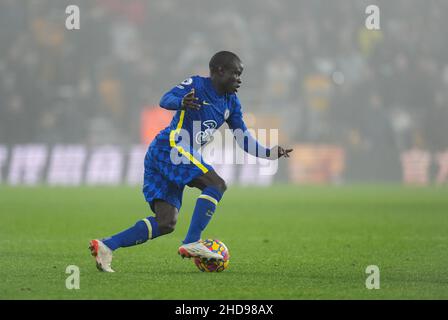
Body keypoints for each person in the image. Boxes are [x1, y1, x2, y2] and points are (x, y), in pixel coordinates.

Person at [89, 51, 293, 272]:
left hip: (172, 155)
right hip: (171, 146)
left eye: (240, 74)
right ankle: (192, 241)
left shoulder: (231, 103)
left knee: (165, 222)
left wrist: (269, 153)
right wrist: (181, 102)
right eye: (235, 73)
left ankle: (107, 245)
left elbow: (243, 139)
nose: (239, 79)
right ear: (219, 71)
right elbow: (164, 99)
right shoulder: (196, 85)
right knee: (216, 184)